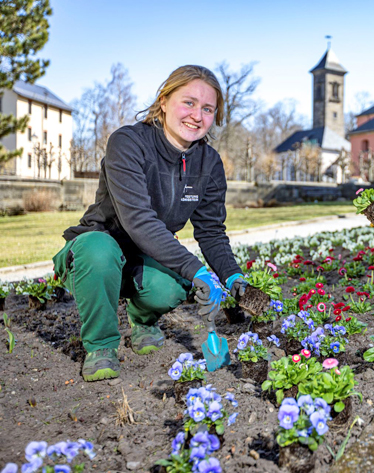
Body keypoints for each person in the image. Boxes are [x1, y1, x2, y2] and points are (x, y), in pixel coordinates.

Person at [53, 65, 248, 382]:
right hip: (94, 252)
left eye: (207, 108)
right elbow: (139, 221)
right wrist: (197, 269)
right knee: (100, 250)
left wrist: (233, 276)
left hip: (144, 259)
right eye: (189, 102)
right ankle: (101, 346)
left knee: (172, 287)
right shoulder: (128, 143)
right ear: (164, 101)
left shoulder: (209, 163)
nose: (197, 115)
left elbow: (211, 231)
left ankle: (142, 320)